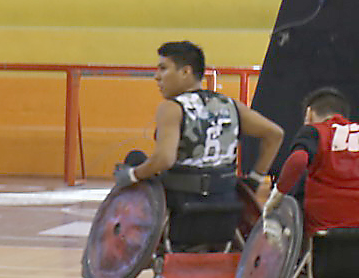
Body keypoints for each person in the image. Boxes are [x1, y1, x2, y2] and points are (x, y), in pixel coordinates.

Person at [114, 41, 283, 211]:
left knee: (135, 159)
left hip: (181, 204)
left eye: (163, 68)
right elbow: (275, 134)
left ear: (185, 72)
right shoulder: (231, 105)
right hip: (227, 202)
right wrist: (255, 179)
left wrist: (132, 175)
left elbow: (164, 159)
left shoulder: (172, 108)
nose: (157, 76)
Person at [267, 87, 359, 233]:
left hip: (324, 224)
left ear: (309, 114)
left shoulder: (314, 131)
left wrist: (276, 195)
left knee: (297, 180)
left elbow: (298, 160)